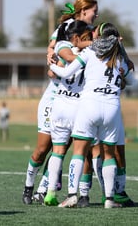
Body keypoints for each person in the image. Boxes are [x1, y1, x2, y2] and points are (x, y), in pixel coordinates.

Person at [22, 0, 98, 204]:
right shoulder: (67, 30)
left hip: (79, 101)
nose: (97, 15)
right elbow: (54, 52)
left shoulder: (93, 35)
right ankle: (30, 187)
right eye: (94, 11)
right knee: (43, 149)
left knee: (79, 149)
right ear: (83, 12)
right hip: (56, 97)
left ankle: (61, 192)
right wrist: (54, 63)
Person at [49, 33, 133, 208]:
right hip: (112, 109)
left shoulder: (89, 52)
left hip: (89, 106)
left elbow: (65, 72)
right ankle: (109, 199)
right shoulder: (120, 59)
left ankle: (72, 195)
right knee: (109, 154)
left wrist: (51, 65)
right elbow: (130, 80)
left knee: (79, 151)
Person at [43, 20, 93, 206]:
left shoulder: (63, 47)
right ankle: (77, 193)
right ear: (78, 36)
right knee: (81, 152)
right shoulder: (90, 51)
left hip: (60, 104)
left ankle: (50, 193)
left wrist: (54, 65)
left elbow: (55, 70)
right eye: (87, 33)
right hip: (78, 107)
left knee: (58, 150)